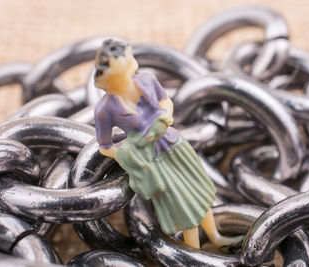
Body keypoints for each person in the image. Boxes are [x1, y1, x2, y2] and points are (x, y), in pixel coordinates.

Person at [94, 39, 242, 249]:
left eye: (126, 61)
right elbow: (105, 146)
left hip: (173, 145)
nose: (128, 66)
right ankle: (195, 253)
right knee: (184, 207)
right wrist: (130, 153)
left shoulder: (146, 80)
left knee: (198, 192)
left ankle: (215, 237)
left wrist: (165, 118)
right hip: (153, 160)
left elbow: (166, 101)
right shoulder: (105, 109)